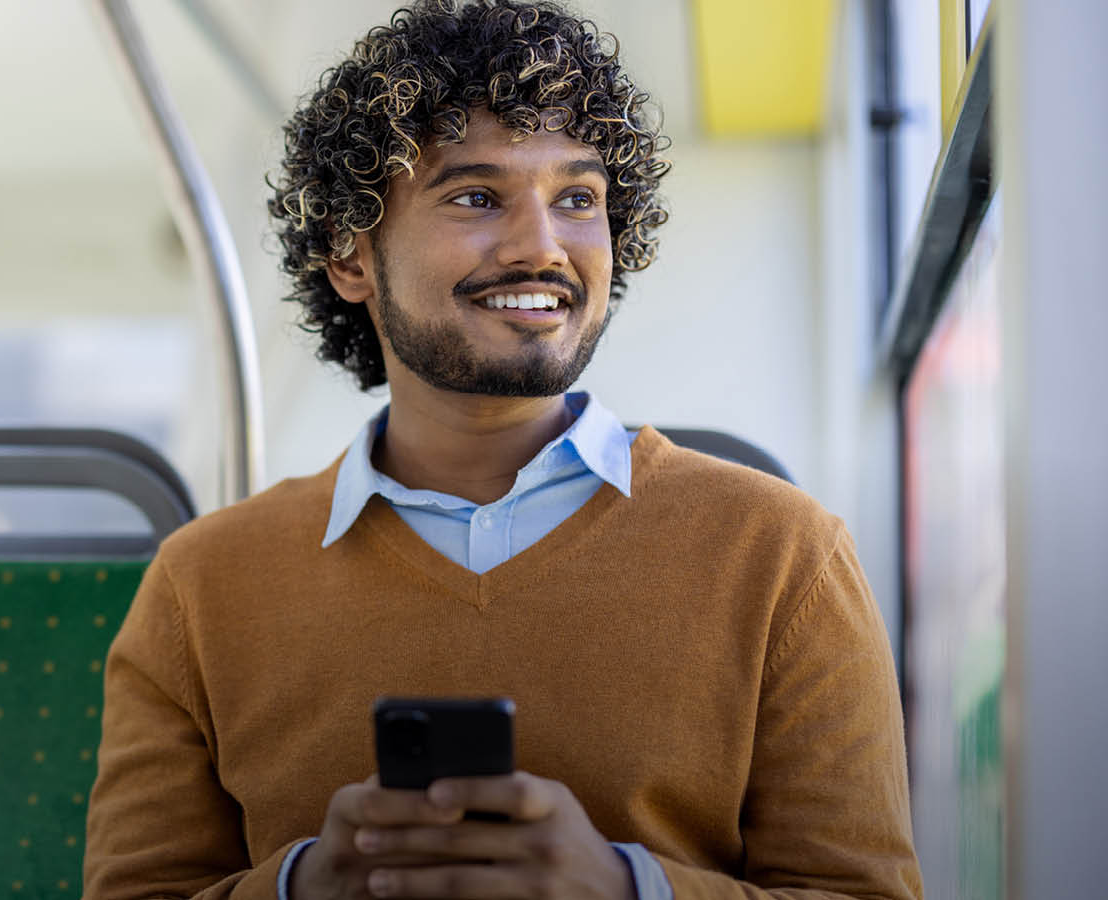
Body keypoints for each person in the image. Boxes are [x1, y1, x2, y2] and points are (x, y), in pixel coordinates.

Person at [82, 1, 921, 898]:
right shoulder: (200, 587)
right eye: (476, 197)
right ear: (351, 257)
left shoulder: (785, 556)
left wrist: (626, 888)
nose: (541, 247)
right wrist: (302, 886)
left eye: (578, 199)